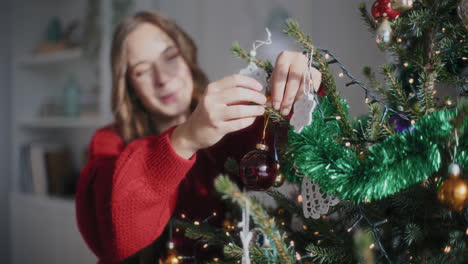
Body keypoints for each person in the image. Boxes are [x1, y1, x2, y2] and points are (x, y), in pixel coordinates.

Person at [75, 10, 321, 264]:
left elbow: (293, 140)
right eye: (142, 71)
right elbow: (114, 239)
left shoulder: (229, 123)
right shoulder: (109, 142)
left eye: (170, 57)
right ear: (129, 86)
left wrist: (302, 84)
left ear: (186, 56)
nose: (163, 78)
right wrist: (184, 139)